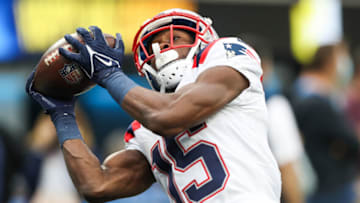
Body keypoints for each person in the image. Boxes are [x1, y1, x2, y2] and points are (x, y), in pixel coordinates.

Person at [25, 8, 281, 203]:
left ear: (203, 40)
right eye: (155, 44)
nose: (162, 48)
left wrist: (108, 74)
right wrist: (62, 115)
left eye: (175, 37)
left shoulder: (228, 53)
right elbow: (96, 185)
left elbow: (169, 116)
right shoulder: (144, 128)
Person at [288, 41, 360, 203]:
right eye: (342, 57)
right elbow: (349, 140)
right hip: (326, 185)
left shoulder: (323, 93)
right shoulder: (314, 98)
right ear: (329, 61)